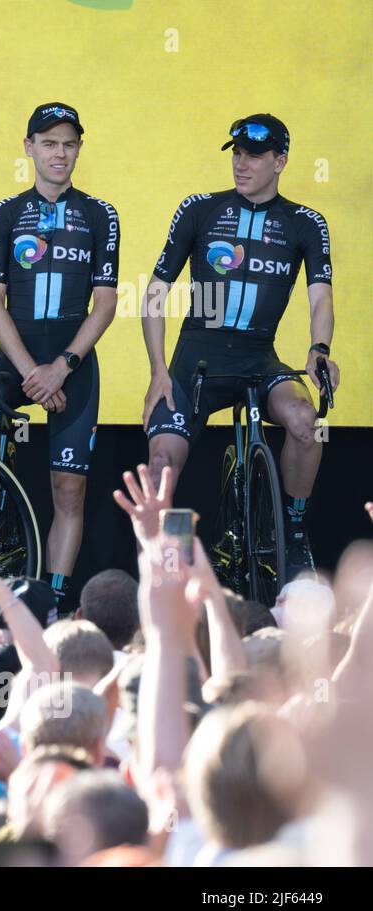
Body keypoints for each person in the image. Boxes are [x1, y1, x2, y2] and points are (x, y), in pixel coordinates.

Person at [142, 114, 337, 580]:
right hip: (197, 359)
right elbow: (154, 291)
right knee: (161, 466)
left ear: (280, 161)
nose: (241, 163)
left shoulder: (305, 222)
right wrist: (157, 371)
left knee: (306, 423)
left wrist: (319, 348)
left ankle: (291, 532)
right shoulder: (200, 208)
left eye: (253, 155)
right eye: (236, 153)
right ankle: (169, 571)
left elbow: (321, 295)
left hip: (259, 357)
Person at [0, 104, 119, 607]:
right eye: (48, 143)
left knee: (69, 492)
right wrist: (31, 374)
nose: (58, 153)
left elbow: (104, 305)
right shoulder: (3, 212)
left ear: (78, 149)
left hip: (72, 364)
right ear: (29, 148)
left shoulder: (99, 214)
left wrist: (61, 368)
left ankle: (54, 601)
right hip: (16, 359)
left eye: (68, 143)